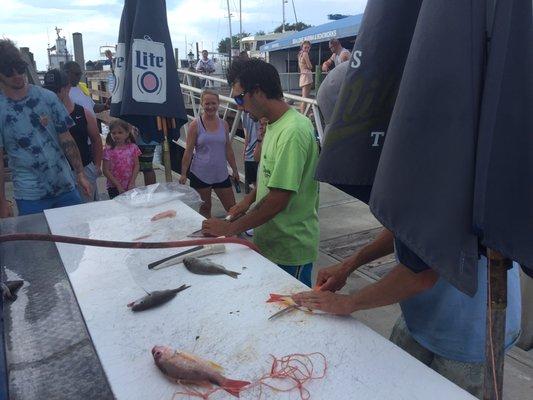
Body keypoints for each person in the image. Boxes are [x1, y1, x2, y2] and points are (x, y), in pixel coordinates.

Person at [292, 228, 521, 398]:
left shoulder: (451, 175)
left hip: (470, 332)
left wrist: (349, 302)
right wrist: (349, 265)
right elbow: (406, 228)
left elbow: (420, 275)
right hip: (422, 317)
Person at [202, 59, 320, 287]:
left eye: (239, 98)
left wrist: (229, 229)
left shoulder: (293, 131)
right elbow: (270, 179)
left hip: (289, 250)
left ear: (257, 92)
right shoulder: (274, 125)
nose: (238, 106)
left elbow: (278, 200)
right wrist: (246, 202)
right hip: (269, 243)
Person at [0, 39, 91, 217]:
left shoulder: (48, 97)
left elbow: (66, 138)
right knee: (40, 244)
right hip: (30, 196)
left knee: (77, 238)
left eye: (20, 68)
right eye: (8, 71)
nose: (17, 75)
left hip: (66, 187)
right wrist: (2, 202)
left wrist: (80, 173)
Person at [43, 69, 103, 202]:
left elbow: (96, 140)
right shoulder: (43, 116)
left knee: (87, 211)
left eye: (56, 90)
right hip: (56, 172)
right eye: (48, 90)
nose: (52, 94)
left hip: (85, 169)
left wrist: (97, 166)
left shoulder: (84, 113)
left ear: (67, 87)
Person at [179, 89, 239, 218]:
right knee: (205, 209)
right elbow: (188, 151)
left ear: (218, 104)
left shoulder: (224, 124)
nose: (210, 107)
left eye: (213, 103)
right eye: (207, 104)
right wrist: (184, 173)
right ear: (201, 104)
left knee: (232, 208)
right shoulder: (195, 125)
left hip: (221, 173)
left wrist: (235, 170)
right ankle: (207, 236)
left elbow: (228, 148)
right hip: (200, 174)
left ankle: (235, 234)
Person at [102, 119, 141, 199]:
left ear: (127, 133)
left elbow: (136, 165)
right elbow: (105, 170)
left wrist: (132, 182)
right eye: (114, 133)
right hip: (113, 187)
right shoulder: (108, 150)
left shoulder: (133, 148)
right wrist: (118, 186)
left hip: (129, 185)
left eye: (120, 132)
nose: (116, 135)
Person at [241, 112, 260, 194]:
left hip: (252, 153)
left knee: (256, 184)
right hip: (255, 152)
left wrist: (245, 151)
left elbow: (247, 135)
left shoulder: (243, 113)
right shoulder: (244, 113)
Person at [298, 41, 313, 114]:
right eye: (305, 47)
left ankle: (304, 113)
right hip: (307, 75)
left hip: (303, 75)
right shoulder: (305, 54)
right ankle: (303, 114)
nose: (307, 49)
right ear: (302, 47)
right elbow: (310, 66)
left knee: (304, 97)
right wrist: (309, 66)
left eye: (308, 47)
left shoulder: (300, 54)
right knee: (305, 97)